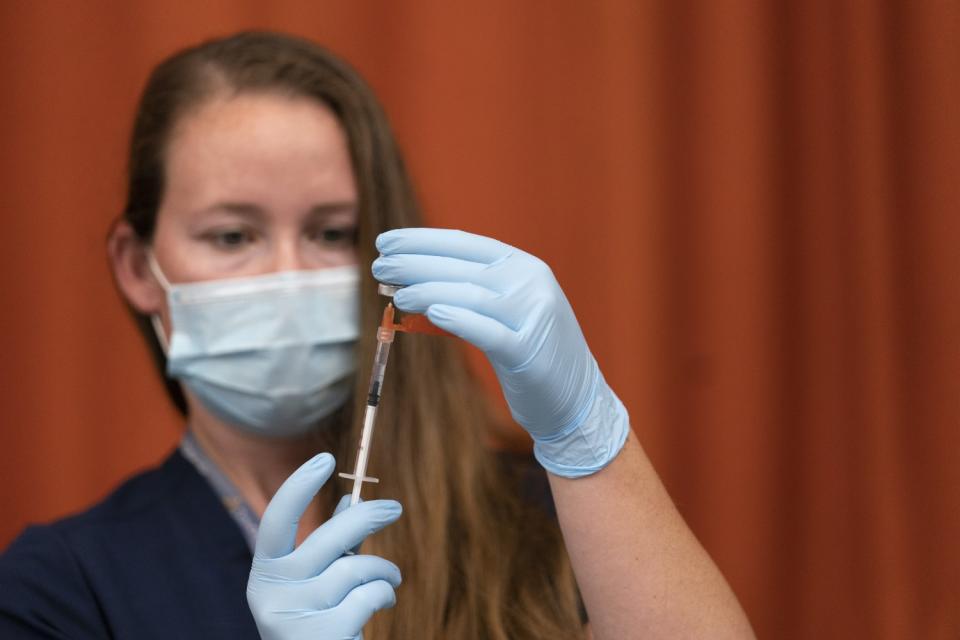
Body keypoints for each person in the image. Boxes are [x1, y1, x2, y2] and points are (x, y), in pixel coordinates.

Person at [0, 31, 754, 639]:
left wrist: (588, 433)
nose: (287, 275)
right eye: (232, 236)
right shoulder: (68, 585)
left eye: (334, 233)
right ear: (139, 267)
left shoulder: (535, 511)